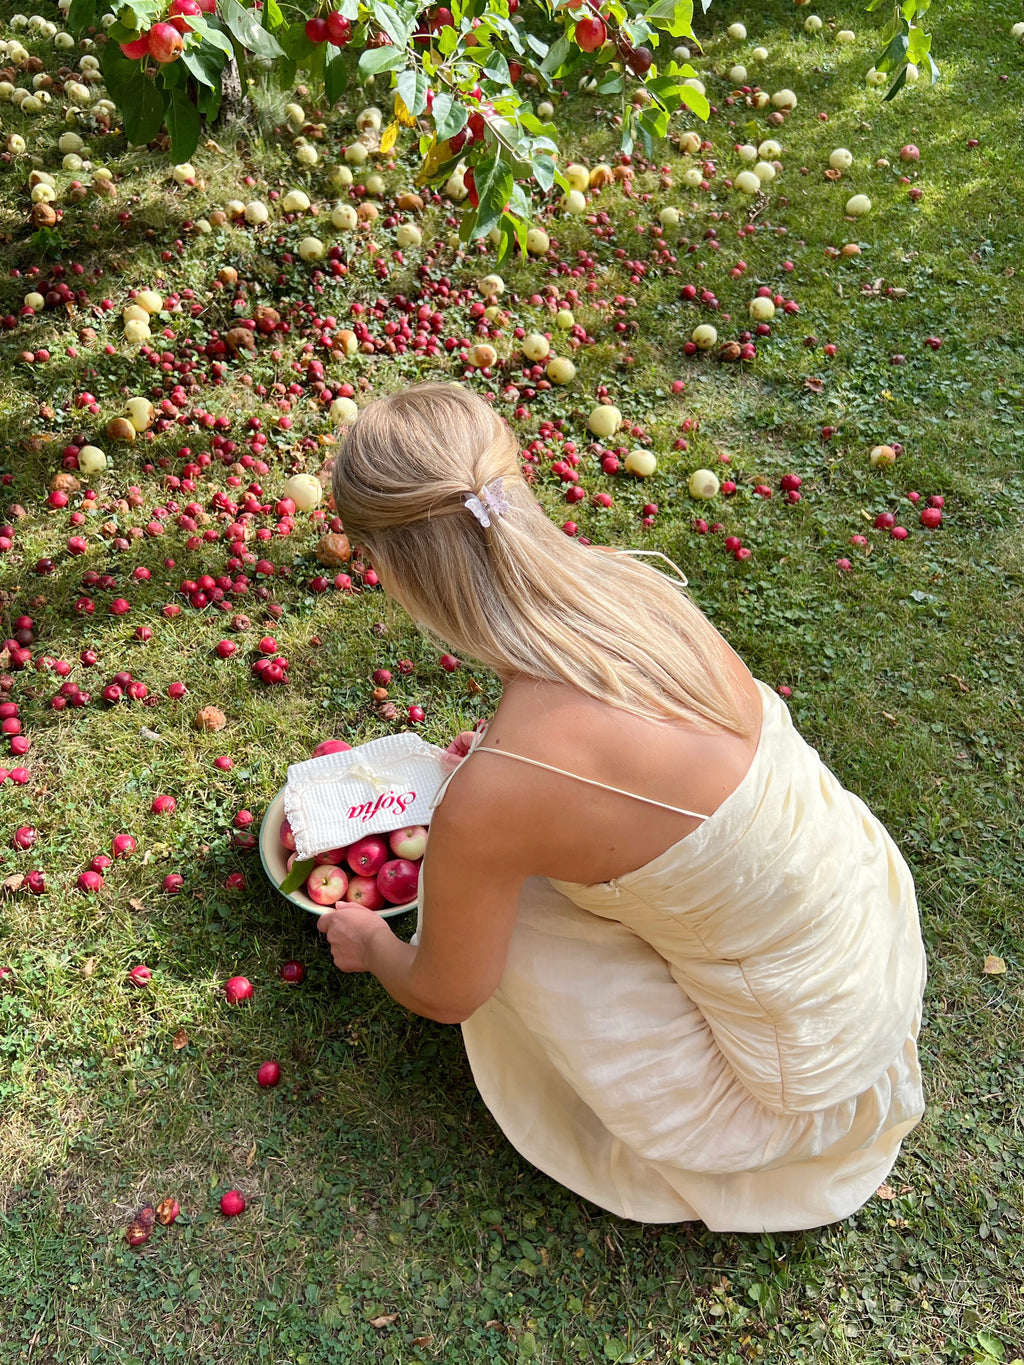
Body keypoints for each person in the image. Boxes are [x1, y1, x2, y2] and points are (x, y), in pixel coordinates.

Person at [316, 381, 927, 1233]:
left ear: (398, 571)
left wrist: (376, 943)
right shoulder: (624, 586)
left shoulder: (499, 792)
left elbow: (448, 990)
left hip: (793, 1080)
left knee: (494, 911)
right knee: (499, 854)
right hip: (866, 945)